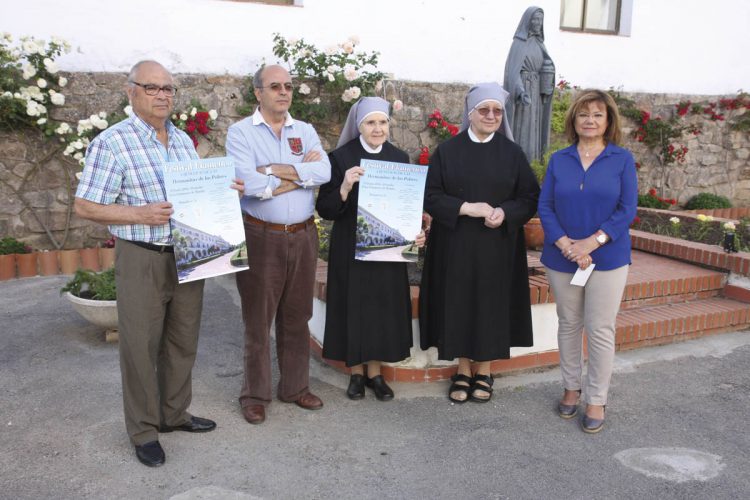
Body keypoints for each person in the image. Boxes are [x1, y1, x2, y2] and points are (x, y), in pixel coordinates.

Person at [75, 60, 227, 467]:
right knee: (140, 347)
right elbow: (85, 205)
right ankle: (143, 431)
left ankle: (174, 414)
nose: (162, 95)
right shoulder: (112, 142)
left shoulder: (180, 141)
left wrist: (223, 190)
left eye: (168, 89)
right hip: (142, 257)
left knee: (182, 340)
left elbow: (195, 195)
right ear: (131, 92)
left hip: (187, 254)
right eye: (152, 87)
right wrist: (139, 214)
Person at [419, 82, 539, 403]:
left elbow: (529, 198)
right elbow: (430, 195)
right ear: (470, 113)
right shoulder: (448, 151)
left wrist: (504, 211)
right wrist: (467, 208)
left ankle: (484, 371)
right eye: (483, 110)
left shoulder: (512, 154)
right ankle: (462, 369)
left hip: (497, 245)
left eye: (497, 111)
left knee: (490, 306)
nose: (491, 115)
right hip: (455, 244)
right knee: (457, 302)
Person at [225, 64, 331, 425]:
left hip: (303, 234)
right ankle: (255, 395)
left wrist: (270, 169)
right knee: (258, 318)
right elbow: (249, 185)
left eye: (288, 86)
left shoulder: (305, 130)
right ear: (258, 93)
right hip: (260, 235)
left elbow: (325, 172)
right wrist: (298, 173)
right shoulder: (240, 133)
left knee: (298, 315)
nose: (284, 92)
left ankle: (295, 387)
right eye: (275, 86)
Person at [537, 89, 637, 433]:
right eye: (583, 114)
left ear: (608, 121)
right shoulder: (559, 159)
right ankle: (571, 387)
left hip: (608, 258)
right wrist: (567, 245)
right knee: (568, 324)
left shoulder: (621, 159)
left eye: (597, 114)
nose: (590, 120)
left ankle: (596, 397)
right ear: (573, 120)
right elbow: (545, 207)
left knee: (600, 328)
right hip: (561, 256)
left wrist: (592, 243)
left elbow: (627, 210)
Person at [316, 97, 425, 401]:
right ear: (359, 125)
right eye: (370, 122)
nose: (377, 128)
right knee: (354, 305)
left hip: (387, 251)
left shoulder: (400, 158)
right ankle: (355, 374)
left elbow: (408, 206)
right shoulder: (340, 158)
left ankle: (376, 374)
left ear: (389, 125)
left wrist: (415, 233)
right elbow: (324, 208)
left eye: (382, 122)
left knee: (381, 308)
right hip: (350, 248)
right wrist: (344, 187)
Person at [503, 6, 556, 163]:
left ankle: (534, 161)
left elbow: (546, 64)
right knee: (524, 128)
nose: (538, 22)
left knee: (535, 127)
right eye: (535, 19)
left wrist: (547, 79)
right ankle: (520, 161)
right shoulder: (519, 44)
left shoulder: (539, 43)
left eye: (540, 19)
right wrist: (520, 91)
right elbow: (513, 72)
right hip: (524, 92)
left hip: (536, 91)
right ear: (528, 21)